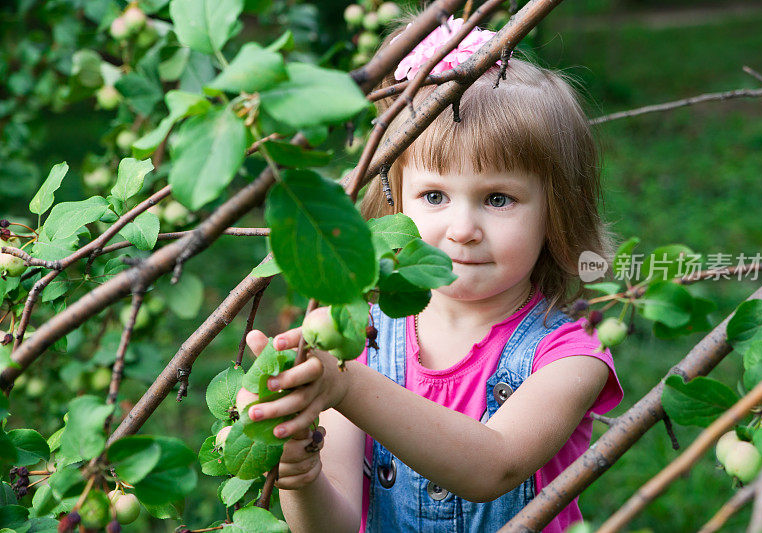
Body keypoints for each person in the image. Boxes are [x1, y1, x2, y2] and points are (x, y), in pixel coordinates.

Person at [236, 15, 624, 533]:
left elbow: (494, 465)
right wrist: (301, 473)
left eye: (498, 198)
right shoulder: (356, 337)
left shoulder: (571, 355)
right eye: (435, 196)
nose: (462, 229)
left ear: (556, 211)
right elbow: (336, 524)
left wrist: (345, 387)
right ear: (396, 200)